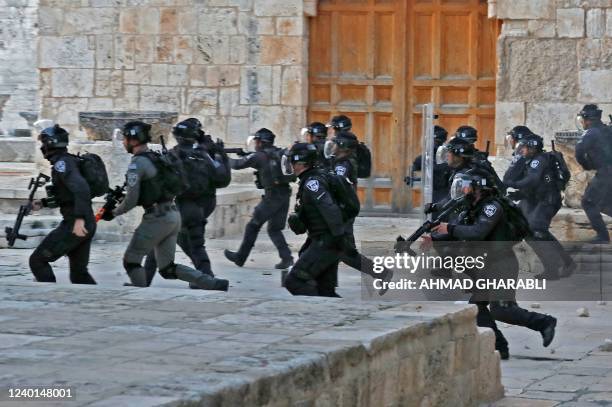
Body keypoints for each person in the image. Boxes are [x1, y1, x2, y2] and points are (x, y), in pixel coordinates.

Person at [431, 169, 557, 360]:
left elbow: (478, 232)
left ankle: (544, 322)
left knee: (502, 310)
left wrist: (449, 228)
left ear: (478, 187)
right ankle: (499, 347)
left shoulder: (492, 207)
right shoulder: (472, 206)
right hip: (487, 264)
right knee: (478, 307)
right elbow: (460, 229)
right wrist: (433, 237)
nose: (462, 190)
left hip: (501, 264)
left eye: (466, 186)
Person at [101, 121, 229, 290]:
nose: (123, 142)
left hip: (161, 215)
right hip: (179, 213)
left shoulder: (145, 161)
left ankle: (140, 290)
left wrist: (114, 212)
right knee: (172, 264)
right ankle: (210, 282)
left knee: (132, 260)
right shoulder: (167, 157)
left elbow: (132, 199)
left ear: (133, 140)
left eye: (125, 139)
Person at [282, 143, 391, 296]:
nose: (291, 166)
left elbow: (329, 209)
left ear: (301, 163)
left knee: (294, 282)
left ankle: (382, 274)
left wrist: (339, 238)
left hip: (327, 240)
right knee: (326, 290)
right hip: (325, 240)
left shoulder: (313, 183)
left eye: (293, 162)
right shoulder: (314, 178)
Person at [142, 118, 230, 289]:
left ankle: (143, 280)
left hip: (179, 206)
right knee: (196, 245)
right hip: (199, 209)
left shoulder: (173, 154)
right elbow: (222, 180)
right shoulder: (204, 155)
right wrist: (221, 155)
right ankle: (207, 278)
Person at [29, 124, 97, 284]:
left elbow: (81, 189)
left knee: (37, 261)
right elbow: (67, 195)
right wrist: (43, 203)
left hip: (76, 223)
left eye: (44, 143)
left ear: (51, 144)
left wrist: (79, 220)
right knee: (79, 274)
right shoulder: (67, 161)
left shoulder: (62, 164)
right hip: (86, 222)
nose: (42, 147)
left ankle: (49, 298)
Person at [504, 134, 575, 279]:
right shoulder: (528, 160)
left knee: (537, 230)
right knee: (529, 231)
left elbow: (532, 180)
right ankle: (560, 264)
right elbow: (515, 179)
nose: (521, 150)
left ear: (532, 148)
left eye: (524, 148)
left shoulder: (540, 160)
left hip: (547, 201)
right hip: (534, 199)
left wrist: (513, 185)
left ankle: (558, 266)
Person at [224, 128, 294, 269]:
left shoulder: (259, 156)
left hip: (272, 197)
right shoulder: (278, 153)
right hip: (284, 194)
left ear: (261, 142)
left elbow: (237, 165)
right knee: (274, 229)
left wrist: (222, 156)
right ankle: (287, 258)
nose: (255, 143)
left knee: (253, 226)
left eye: (256, 141)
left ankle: (240, 257)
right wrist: (246, 154)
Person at [575, 104, 612, 243]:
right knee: (605, 203)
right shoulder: (608, 129)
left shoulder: (591, 132)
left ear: (588, 119)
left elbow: (579, 152)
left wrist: (587, 166)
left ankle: (602, 237)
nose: (582, 123)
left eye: (582, 120)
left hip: (605, 174)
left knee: (588, 202)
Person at [411, 125, 451, 205]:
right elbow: (413, 171)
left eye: (436, 142)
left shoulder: (450, 158)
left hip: (445, 196)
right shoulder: (422, 158)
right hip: (430, 195)